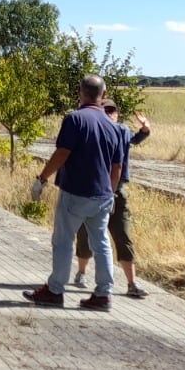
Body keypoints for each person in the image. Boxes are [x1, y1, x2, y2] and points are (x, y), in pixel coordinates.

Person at [23, 74, 127, 311]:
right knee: (100, 243)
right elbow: (117, 167)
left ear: (80, 93)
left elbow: (62, 153)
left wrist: (42, 178)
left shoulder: (75, 119)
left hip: (76, 192)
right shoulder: (114, 127)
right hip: (102, 195)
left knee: (63, 241)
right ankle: (103, 294)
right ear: (103, 95)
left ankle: (55, 290)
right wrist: (110, 193)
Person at [73, 98, 151, 297]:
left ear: (117, 113)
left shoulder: (122, 131)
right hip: (92, 190)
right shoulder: (93, 131)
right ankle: (81, 272)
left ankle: (132, 284)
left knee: (122, 235)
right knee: (85, 236)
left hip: (117, 192)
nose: (109, 113)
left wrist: (145, 129)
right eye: (105, 110)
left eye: (112, 110)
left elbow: (135, 139)